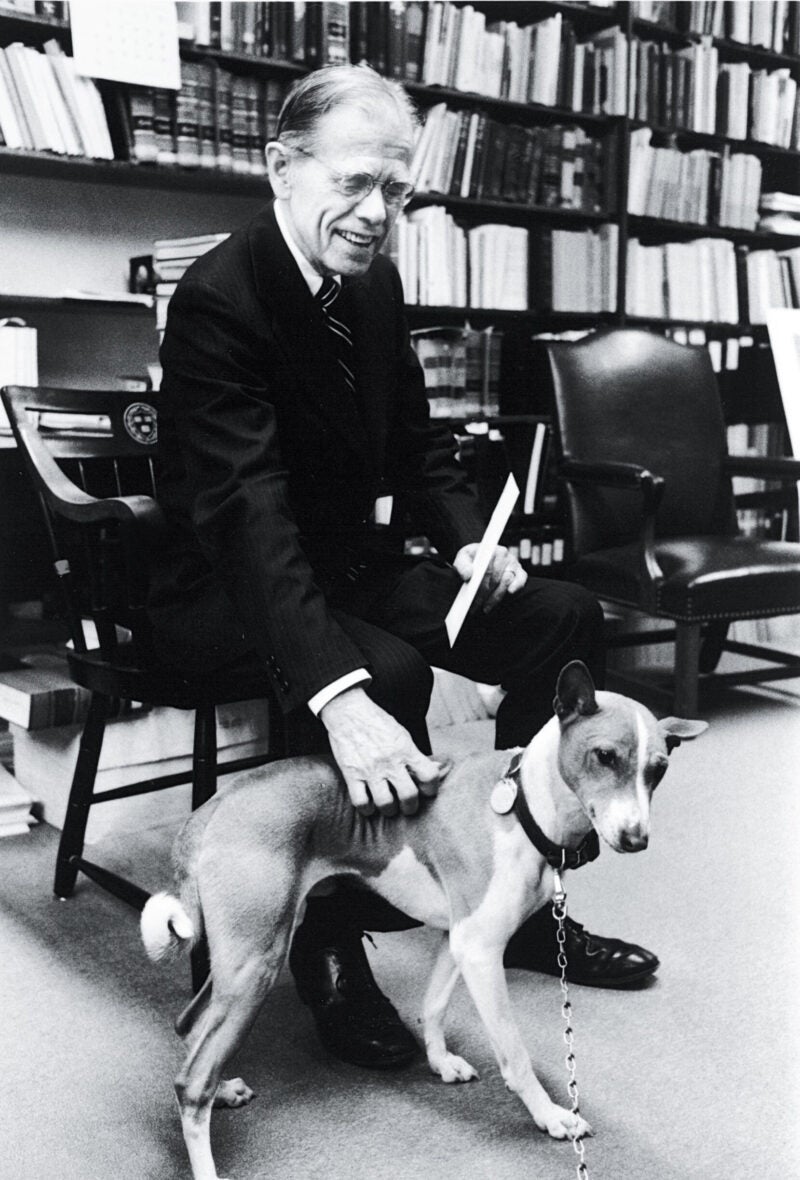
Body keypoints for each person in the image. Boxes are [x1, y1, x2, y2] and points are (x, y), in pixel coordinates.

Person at [148, 63, 658, 1071]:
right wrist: (335, 691)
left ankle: (517, 898)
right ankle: (330, 951)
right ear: (280, 169)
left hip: (345, 566)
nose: (376, 213)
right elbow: (248, 522)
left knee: (560, 616)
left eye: (397, 190)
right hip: (225, 591)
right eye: (352, 183)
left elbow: (419, 448)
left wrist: (466, 533)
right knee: (381, 677)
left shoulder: (369, 284)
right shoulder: (217, 300)